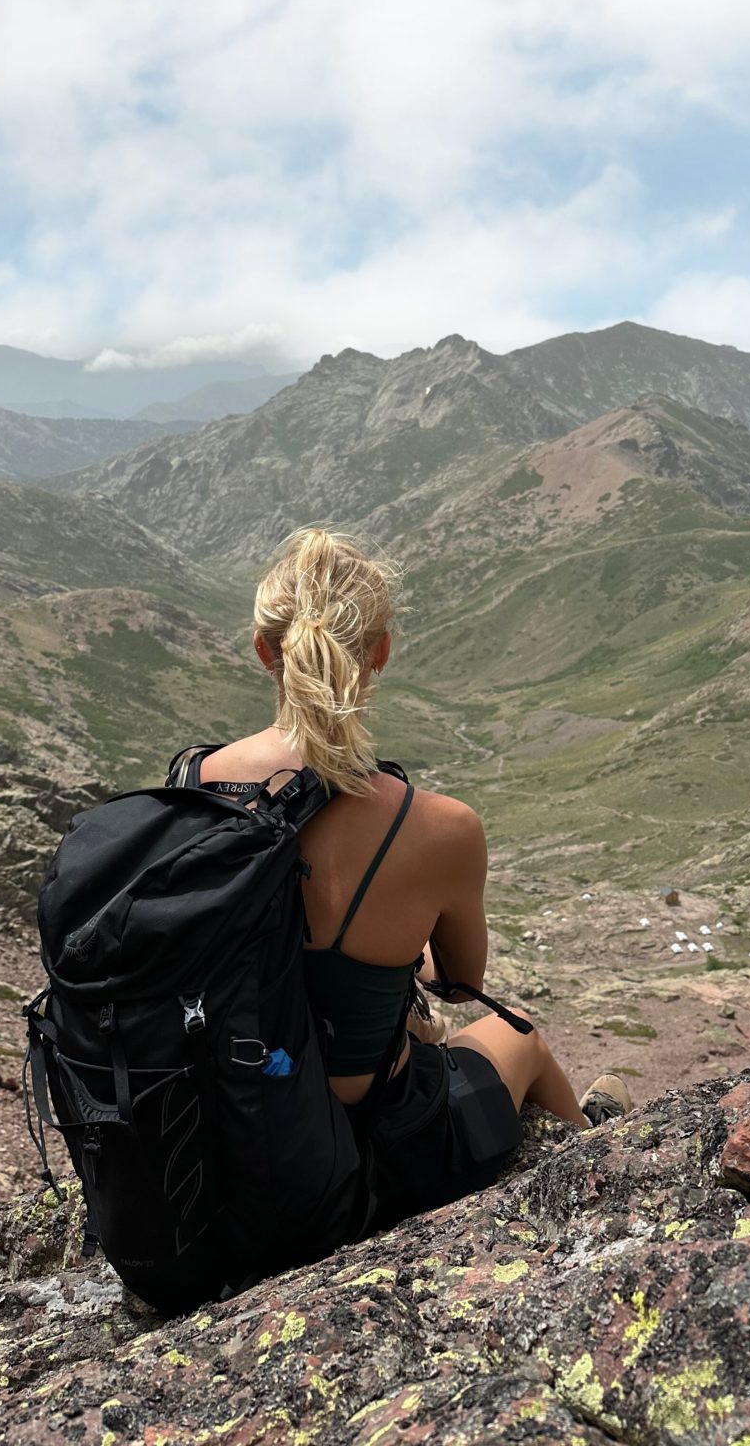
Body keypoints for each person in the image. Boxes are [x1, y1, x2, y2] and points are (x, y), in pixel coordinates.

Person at [169, 525, 630, 1232]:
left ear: (265, 651)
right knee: (525, 1039)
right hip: (368, 1152)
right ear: (381, 651)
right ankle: (607, 1172)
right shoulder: (441, 828)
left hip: (230, 1128)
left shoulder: (192, 784)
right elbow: (461, 978)